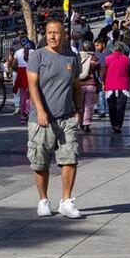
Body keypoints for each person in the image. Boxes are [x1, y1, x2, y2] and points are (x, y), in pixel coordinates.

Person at [27, 19, 84, 219]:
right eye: (49, 32)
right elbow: (32, 85)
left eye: (56, 32)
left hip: (66, 118)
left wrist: (79, 110)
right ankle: (43, 200)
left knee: (70, 157)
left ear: (64, 35)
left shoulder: (72, 58)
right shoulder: (37, 56)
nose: (52, 36)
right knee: (40, 161)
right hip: (41, 119)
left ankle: (66, 201)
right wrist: (40, 111)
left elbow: (77, 87)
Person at [103, 41, 130, 133]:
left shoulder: (107, 59)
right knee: (121, 107)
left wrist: (103, 83)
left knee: (111, 106)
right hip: (123, 85)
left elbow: (104, 72)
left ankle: (114, 124)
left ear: (113, 50)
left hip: (110, 85)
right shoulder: (127, 59)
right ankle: (119, 125)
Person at [76, 39, 102, 133]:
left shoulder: (78, 57)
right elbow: (99, 72)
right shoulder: (94, 58)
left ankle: (80, 122)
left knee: (79, 105)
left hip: (79, 84)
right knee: (89, 106)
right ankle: (86, 124)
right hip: (91, 85)